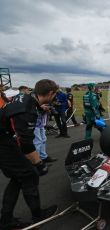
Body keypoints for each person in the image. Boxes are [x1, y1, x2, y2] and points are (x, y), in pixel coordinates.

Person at [0, 79, 58, 229]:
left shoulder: (26, 97)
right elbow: (26, 144)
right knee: (30, 174)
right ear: (50, 93)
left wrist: (40, 107)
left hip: (5, 137)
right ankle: (37, 215)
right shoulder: (28, 110)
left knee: (18, 178)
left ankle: (6, 219)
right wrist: (39, 163)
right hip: (3, 141)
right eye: (54, 94)